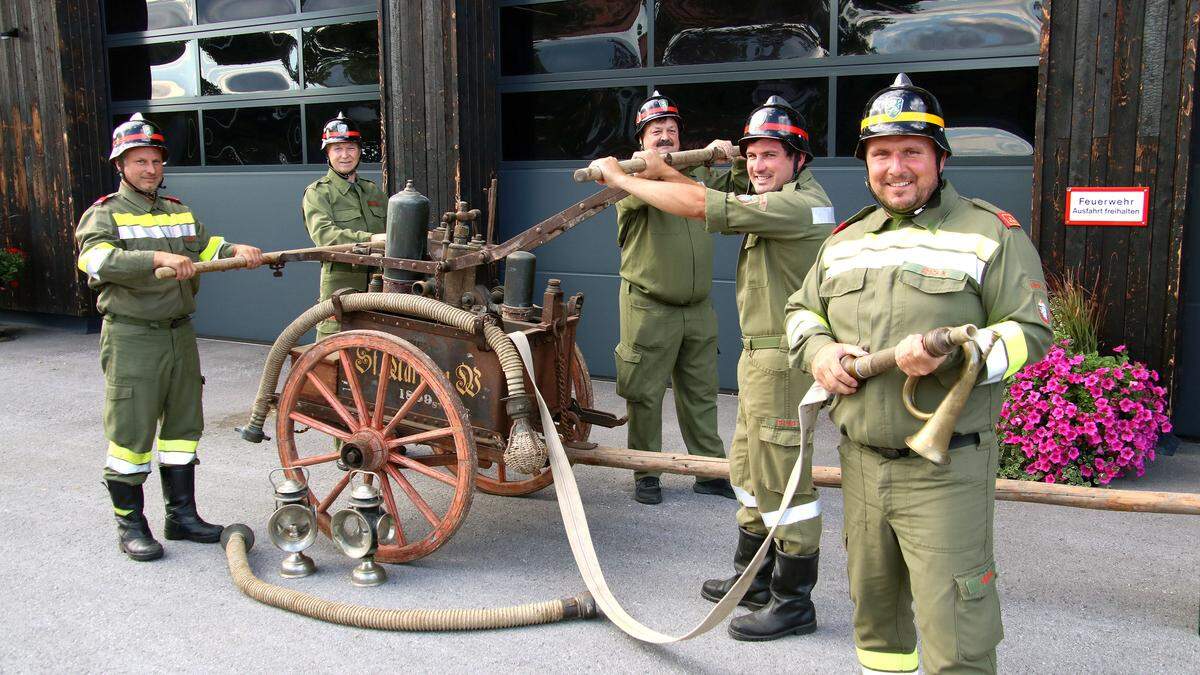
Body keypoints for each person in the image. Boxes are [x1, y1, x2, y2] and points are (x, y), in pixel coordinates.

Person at [785, 74, 1053, 673]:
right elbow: (800, 311)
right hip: (859, 464)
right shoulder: (844, 240)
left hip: (947, 470)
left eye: (912, 151)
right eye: (882, 154)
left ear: (939, 157)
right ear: (866, 163)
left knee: (957, 632)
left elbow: (1031, 334)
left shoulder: (990, 234)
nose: (896, 167)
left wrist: (957, 356)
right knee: (879, 629)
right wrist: (820, 352)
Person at [590, 95, 835, 641]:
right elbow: (701, 192)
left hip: (785, 358)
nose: (759, 166)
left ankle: (794, 601)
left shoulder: (800, 206)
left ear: (799, 158)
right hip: (756, 355)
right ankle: (753, 577)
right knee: (749, 470)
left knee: (785, 481)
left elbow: (703, 205)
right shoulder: (778, 193)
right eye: (753, 155)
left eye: (771, 154)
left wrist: (623, 175)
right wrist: (656, 169)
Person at [75, 113, 265, 561]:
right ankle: (130, 524)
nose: (150, 169)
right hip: (133, 336)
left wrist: (236, 250)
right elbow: (95, 261)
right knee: (131, 432)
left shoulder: (177, 209)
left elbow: (203, 245)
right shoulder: (105, 214)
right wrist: (153, 257)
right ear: (120, 165)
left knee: (183, 429)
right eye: (139, 161)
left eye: (156, 161)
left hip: (179, 333)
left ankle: (181, 516)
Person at [614, 90, 736, 505]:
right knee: (645, 394)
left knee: (701, 392)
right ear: (642, 140)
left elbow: (729, 190)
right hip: (650, 307)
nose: (665, 137)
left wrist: (720, 155)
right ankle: (646, 473)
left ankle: (708, 470)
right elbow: (636, 189)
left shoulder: (694, 178)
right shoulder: (632, 180)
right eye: (655, 131)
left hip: (698, 309)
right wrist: (645, 168)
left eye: (671, 129)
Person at [301, 112, 388, 341]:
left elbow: (394, 231)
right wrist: (371, 239)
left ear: (359, 151)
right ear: (327, 153)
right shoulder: (318, 192)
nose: (345, 155)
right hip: (341, 290)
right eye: (337, 149)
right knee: (334, 357)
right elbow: (324, 236)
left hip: (380, 290)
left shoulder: (373, 191)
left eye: (350, 148)